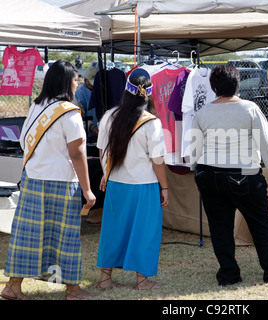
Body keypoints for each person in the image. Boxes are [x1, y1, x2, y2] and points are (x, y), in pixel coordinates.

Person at [1, 60, 96, 300]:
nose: (78, 83)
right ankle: (72, 290)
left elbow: (24, 142)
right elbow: (77, 153)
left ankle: (13, 286)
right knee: (65, 237)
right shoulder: (70, 113)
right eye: (75, 79)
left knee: (27, 235)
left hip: (33, 179)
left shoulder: (36, 106)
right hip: (63, 183)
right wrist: (87, 190)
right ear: (67, 82)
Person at [190, 65, 268, 286]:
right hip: (244, 174)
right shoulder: (250, 108)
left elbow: (194, 149)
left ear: (214, 87)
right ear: (238, 85)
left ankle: (228, 274)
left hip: (208, 173)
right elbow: (266, 144)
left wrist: (198, 173)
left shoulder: (203, 112)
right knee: (260, 224)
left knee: (220, 227)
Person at [95, 69, 168, 290]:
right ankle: (142, 281)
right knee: (145, 232)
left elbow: (101, 151)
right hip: (144, 185)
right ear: (150, 94)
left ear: (126, 92)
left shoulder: (109, 115)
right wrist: (164, 187)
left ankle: (105, 279)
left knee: (112, 231)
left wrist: (106, 174)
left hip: (116, 183)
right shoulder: (151, 122)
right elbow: (157, 160)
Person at [73, 66, 99, 139]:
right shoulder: (79, 94)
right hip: (88, 136)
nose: (95, 86)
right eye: (92, 84)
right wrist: (92, 127)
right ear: (85, 81)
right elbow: (79, 117)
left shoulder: (103, 89)